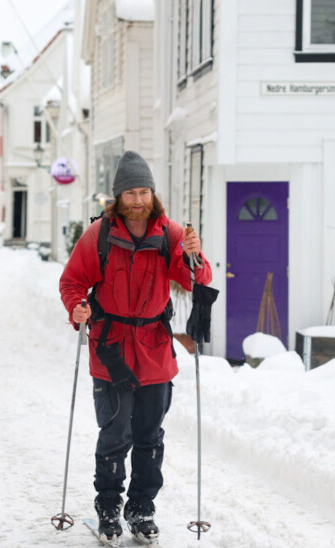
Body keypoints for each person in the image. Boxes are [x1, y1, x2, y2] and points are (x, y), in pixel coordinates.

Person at [59, 150, 212, 544]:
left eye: (144, 192)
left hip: (156, 350)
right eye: (131, 194)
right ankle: (108, 508)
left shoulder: (172, 234)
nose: (139, 200)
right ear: (118, 197)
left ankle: (142, 509)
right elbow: (72, 280)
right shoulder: (100, 236)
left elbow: (195, 279)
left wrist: (195, 256)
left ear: (153, 194)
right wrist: (77, 306)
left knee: (149, 435)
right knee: (114, 434)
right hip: (110, 349)